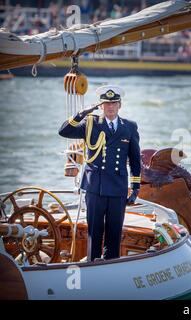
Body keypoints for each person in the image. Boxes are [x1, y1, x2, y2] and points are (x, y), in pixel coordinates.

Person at [59, 85, 141, 261]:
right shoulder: (90, 124)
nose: (110, 107)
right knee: (94, 232)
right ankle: (92, 266)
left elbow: (135, 160)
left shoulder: (130, 127)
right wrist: (81, 113)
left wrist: (135, 189)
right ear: (100, 106)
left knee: (114, 232)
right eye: (106, 104)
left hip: (118, 188)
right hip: (95, 187)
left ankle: (110, 267)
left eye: (114, 103)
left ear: (120, 105)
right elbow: (63, 131)